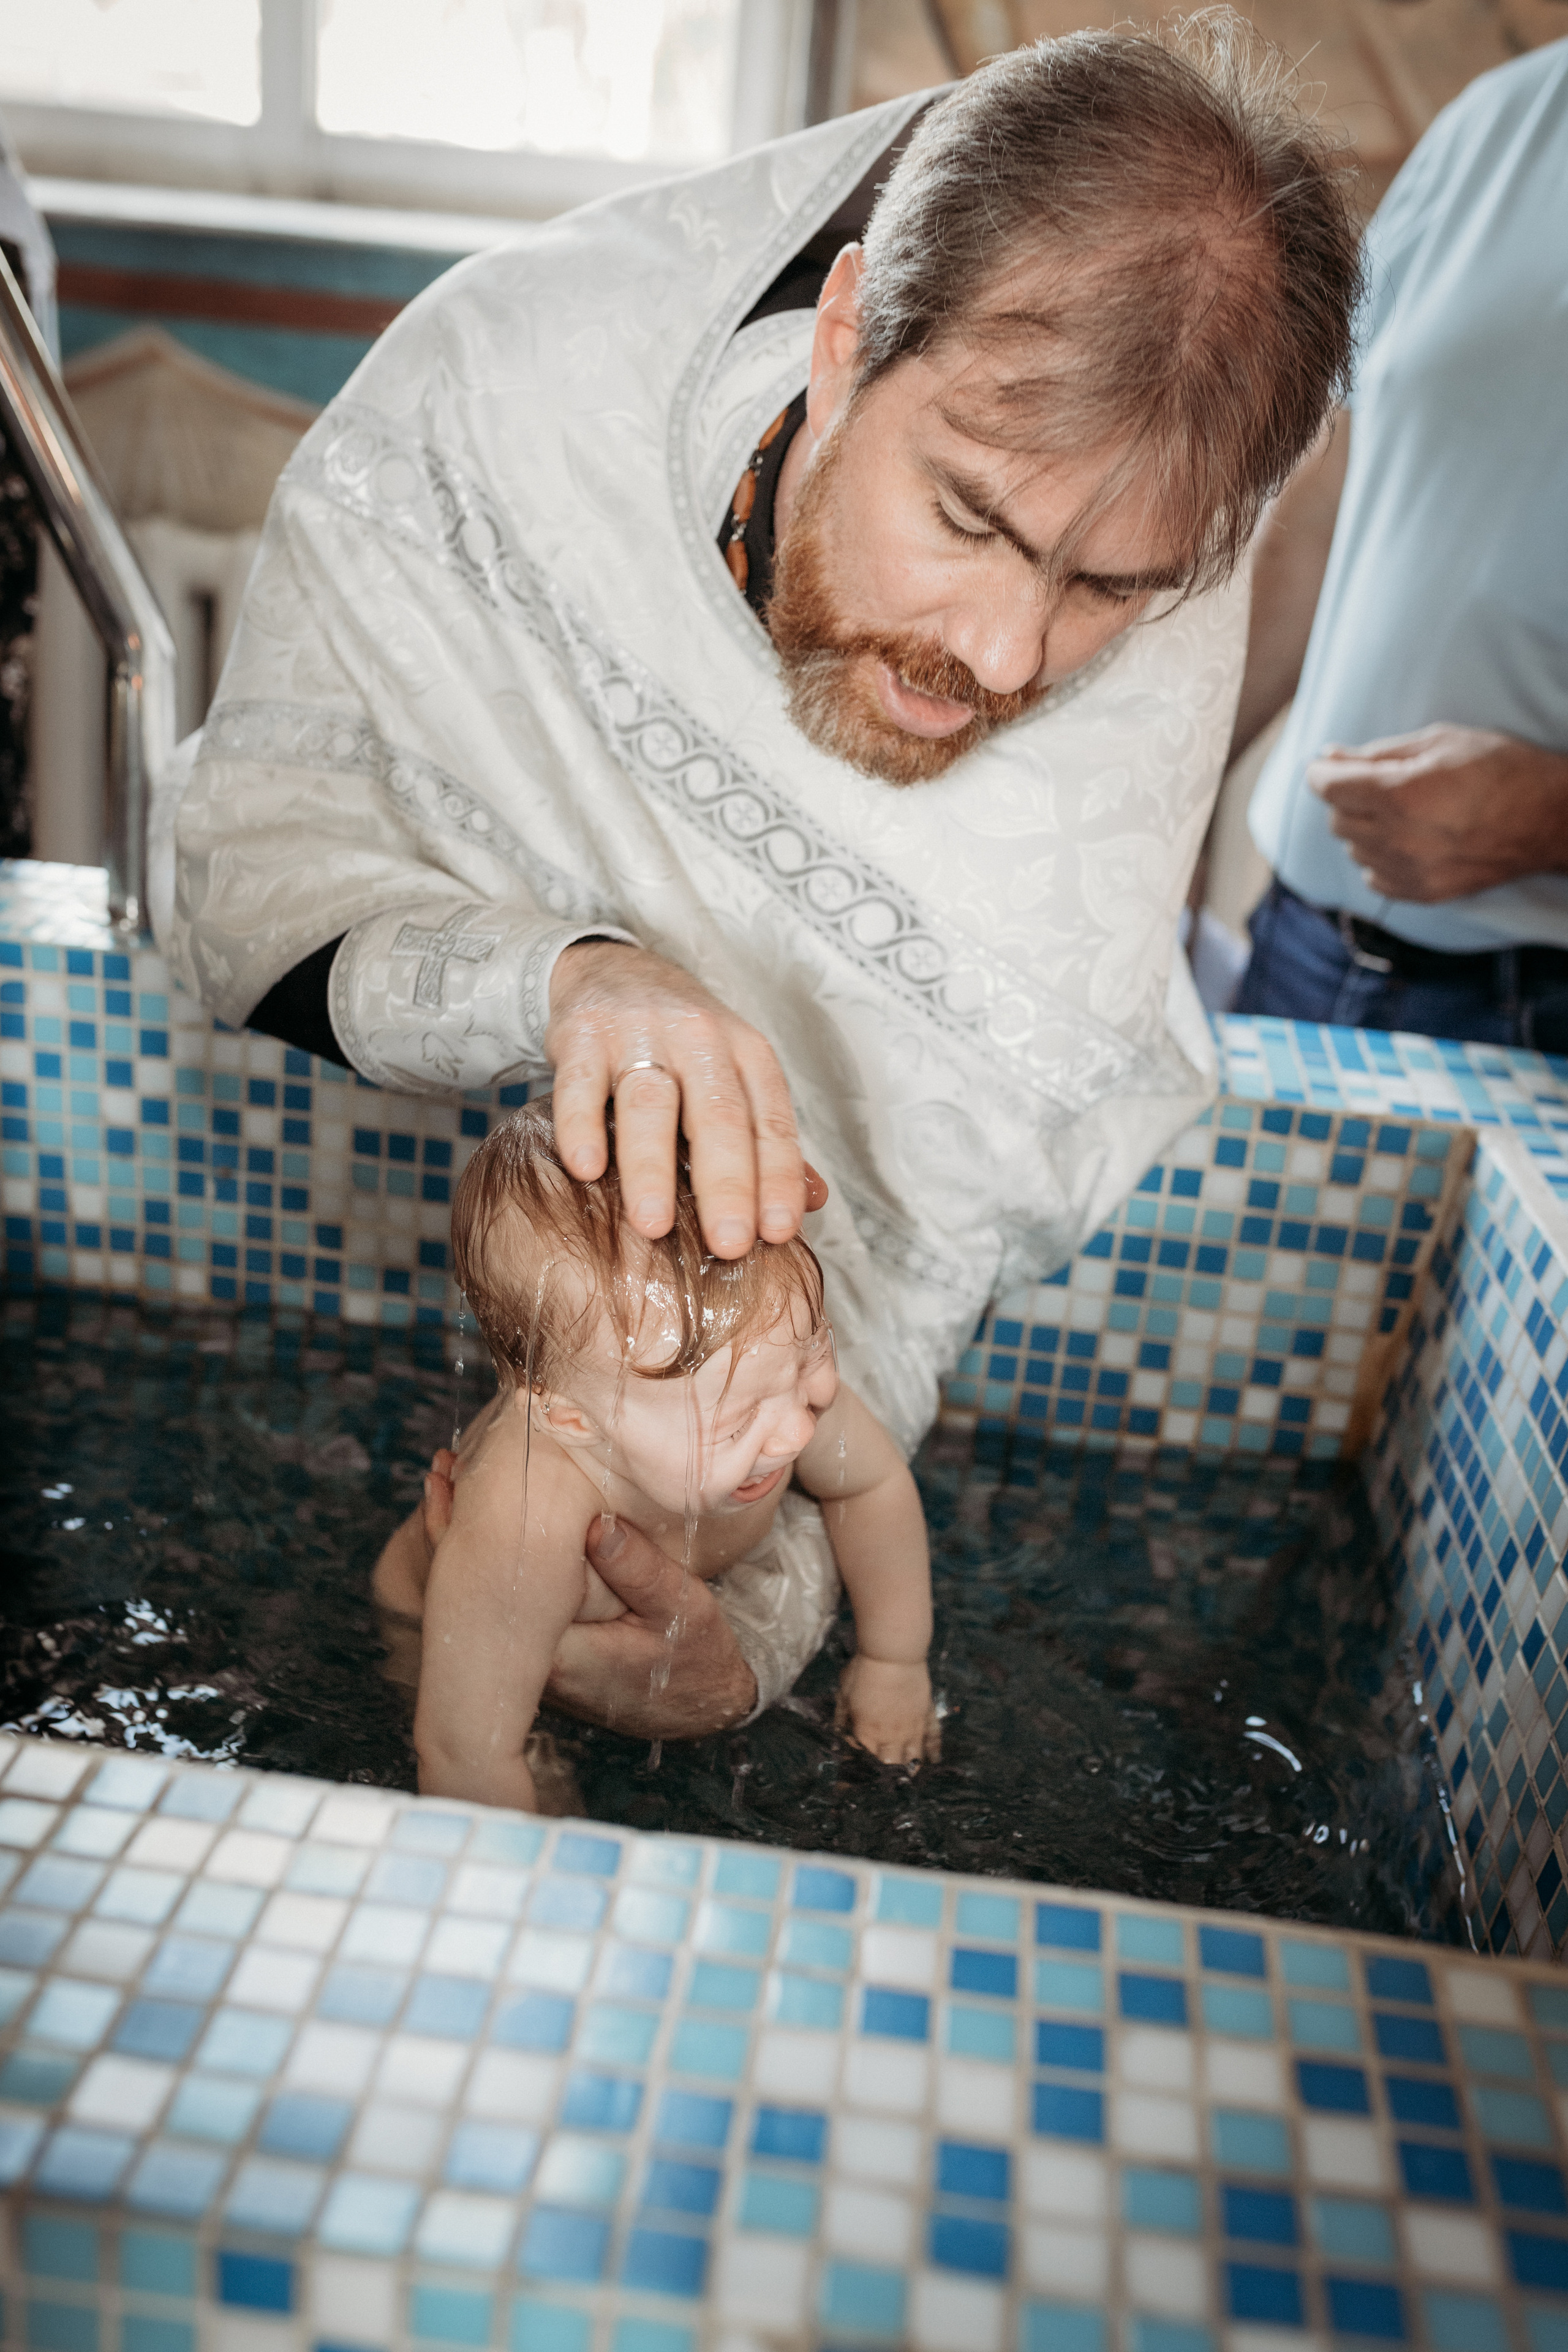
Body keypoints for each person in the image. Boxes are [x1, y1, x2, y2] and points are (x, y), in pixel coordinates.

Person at [159, 21, 1360, 1736]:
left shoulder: (1147, 642)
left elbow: (924, 1234)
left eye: (1106, 588)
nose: (1006, 659)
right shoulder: (515, 386)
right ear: (852, 331)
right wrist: (570, 978)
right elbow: (246, 874)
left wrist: (762, 1631)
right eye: (965, 516)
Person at [372, 1100, 933, 1807]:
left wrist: (894, 1658)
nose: (797, 1431)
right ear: (572, 1419)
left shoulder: (764, 1377)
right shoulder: (525, 1526)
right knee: (518, 1775)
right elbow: (460, 1753)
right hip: (443, 1633)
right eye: (736, 1426)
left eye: (811, 1358)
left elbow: (871, 1486)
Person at [1235, 40, 1568, 1046]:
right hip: (1297, 948)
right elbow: (1329, 502)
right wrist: (1146, 830)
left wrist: (1557, 820)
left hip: (1539, 1012)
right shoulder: (1501, 119)